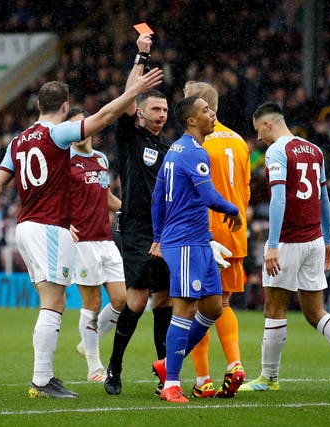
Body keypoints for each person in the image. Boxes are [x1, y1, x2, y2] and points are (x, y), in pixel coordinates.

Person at [0, 68, 164, 399]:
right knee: (53, 302)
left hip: (26, 226)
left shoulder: (18, 140)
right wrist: (134, 92)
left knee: (53, 300)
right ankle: (42, 379)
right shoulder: (56, 134)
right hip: (48, 227)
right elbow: (103, 117)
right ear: (64, 107)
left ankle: (45, 377)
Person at [239, 102, 330, 395]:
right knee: (315, 312)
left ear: (267, 125)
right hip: (314, 241)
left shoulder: (277, 151)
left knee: (273, 309)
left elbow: (278, 200)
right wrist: (326, 240)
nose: (259, 140)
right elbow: (323, 199)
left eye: (258, 132)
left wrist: (273, 245)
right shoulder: (314, 150)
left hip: (288, 241)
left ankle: (268, 378)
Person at [149, 96, 243, 403]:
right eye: (205, 111)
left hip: (197, 240)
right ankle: (171, 384)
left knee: (213, 306)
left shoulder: (175, 149)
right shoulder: (193, 152)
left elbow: (157, 196)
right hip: (187, 241)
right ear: (192, 120)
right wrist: (233, 209)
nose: (212, 114)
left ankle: (167, 365)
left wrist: (159, 236)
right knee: (185, 309)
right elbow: (209, 196)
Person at [104, 33, 174, 396]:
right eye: (155, 110)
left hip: (166, 231)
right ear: (142, 111)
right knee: (136, 300)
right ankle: (114, 367)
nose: (161, 116)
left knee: (164, 301)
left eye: (164, 111)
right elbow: (124, 100)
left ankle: (167, 374)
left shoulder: (169, 146)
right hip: (135, 228)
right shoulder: (130, 136)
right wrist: (141, 58)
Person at [183, 81, 251, 399]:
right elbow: (247, 191)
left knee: (198, 306)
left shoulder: (199, 143)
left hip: (205, 234)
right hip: (235, 232)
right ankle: (235, 364)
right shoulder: (239, 141)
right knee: (223, 303)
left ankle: (203, 380)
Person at [66, 108, 127, 383]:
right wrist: (63, 223)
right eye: (73, 126)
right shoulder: (64, 162)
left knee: (122, 299)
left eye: (82, 124)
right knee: (91, 303)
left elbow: (106, 197)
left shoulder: (101, 158)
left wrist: (127, 209)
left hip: (105, 238)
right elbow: (55, 200)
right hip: (83, 242)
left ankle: (86, 342)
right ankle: (94, 367)